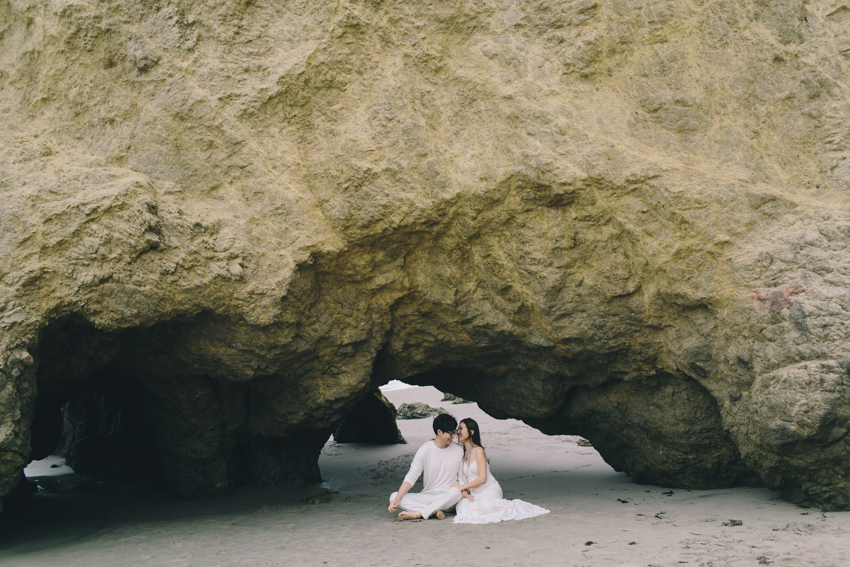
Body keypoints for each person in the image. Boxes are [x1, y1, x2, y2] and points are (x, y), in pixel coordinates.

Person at [453, 417, 550, 524]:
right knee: (462, 507)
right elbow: (461, 477)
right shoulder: (461, 453)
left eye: (461, 429)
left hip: (489, 489)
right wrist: (465, 493)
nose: (458, 432)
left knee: (486, 506)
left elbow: (482, 479)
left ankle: (512, 506)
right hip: (475, 493)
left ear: (471, 432)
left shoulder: (478, 451)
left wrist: (463, 487)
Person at [388, 413, 463, 521]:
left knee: (456, 492)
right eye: (450, 433)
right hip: (429, 495)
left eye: (454, 433)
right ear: (439, 432)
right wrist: (397, 498)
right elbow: (412, 476)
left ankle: (419, 513)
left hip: (449, 496)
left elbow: (461, 478)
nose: (453, 437)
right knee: (394, 496)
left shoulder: (458, 450)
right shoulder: (425, 449)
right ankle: (435, 511)